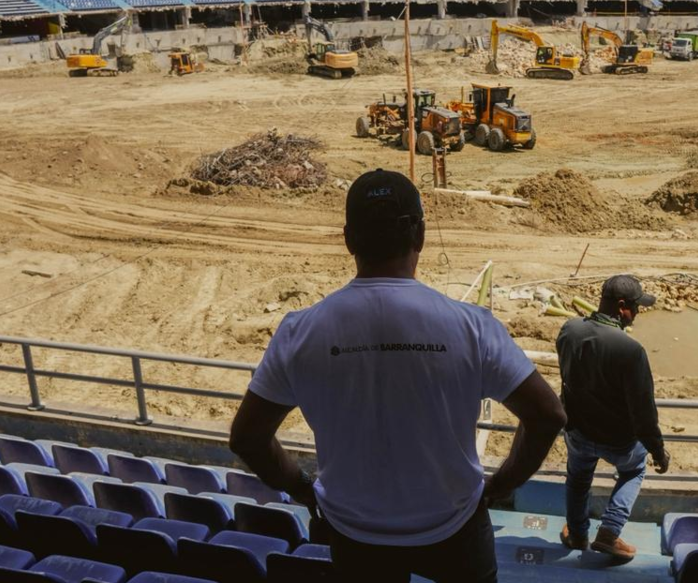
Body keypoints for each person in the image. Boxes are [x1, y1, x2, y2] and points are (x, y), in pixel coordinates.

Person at [229, 169, 566, 583]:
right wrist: (501, 483)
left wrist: (301, 487)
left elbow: (247, 436)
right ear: (419, 237)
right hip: (455, 525)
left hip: (354, 533)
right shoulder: (471, 327)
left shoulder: (300, 332)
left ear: (349, 240)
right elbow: (548, 414)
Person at [555, 275, 670, 561]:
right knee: (634, 471)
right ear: (622, 307)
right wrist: (657, 450)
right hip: (620, 441)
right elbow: (643, 411)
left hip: (579, 432)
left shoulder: (569, 330)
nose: (638, 312)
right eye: (636, 306)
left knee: (579, 478)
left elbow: (566, 376)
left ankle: (578, 534)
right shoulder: (631, 350)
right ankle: (609, 532)